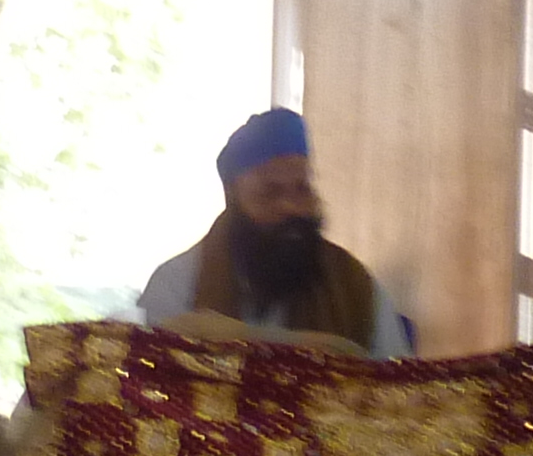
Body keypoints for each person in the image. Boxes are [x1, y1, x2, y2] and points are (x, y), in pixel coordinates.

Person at [137, 107, 415, 355]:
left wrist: (234, 338)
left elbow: (396, 396)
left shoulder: (356, 286)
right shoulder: (176, 284)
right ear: (234, 201)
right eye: (270, 193)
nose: (290, 207)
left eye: (302, 189)